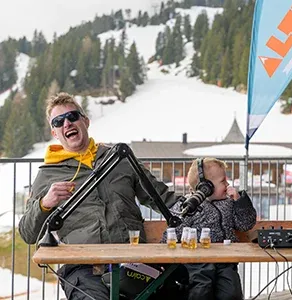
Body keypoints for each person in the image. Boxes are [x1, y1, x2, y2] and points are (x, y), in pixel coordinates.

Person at [18, 92, 181, 300]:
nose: (67, 123)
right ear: (55, 133)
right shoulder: (48, 174)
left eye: (72, 116)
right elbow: (28, 233)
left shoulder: (119, 158)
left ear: (85, 121)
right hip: (85, 268)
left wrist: (207, 201)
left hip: (133, 261)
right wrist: (44, 204)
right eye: (59, 121)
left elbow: (163, 198)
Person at [163, 158, 257, 300]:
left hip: (225, 260)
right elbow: (172, 233)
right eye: (223, 181)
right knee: (202, 289)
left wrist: (240, 201)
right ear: (205, 187)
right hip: (197, 261)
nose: (227, 184)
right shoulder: (189, 206)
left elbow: (245, 224)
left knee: (231, 292)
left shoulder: (229, 203)